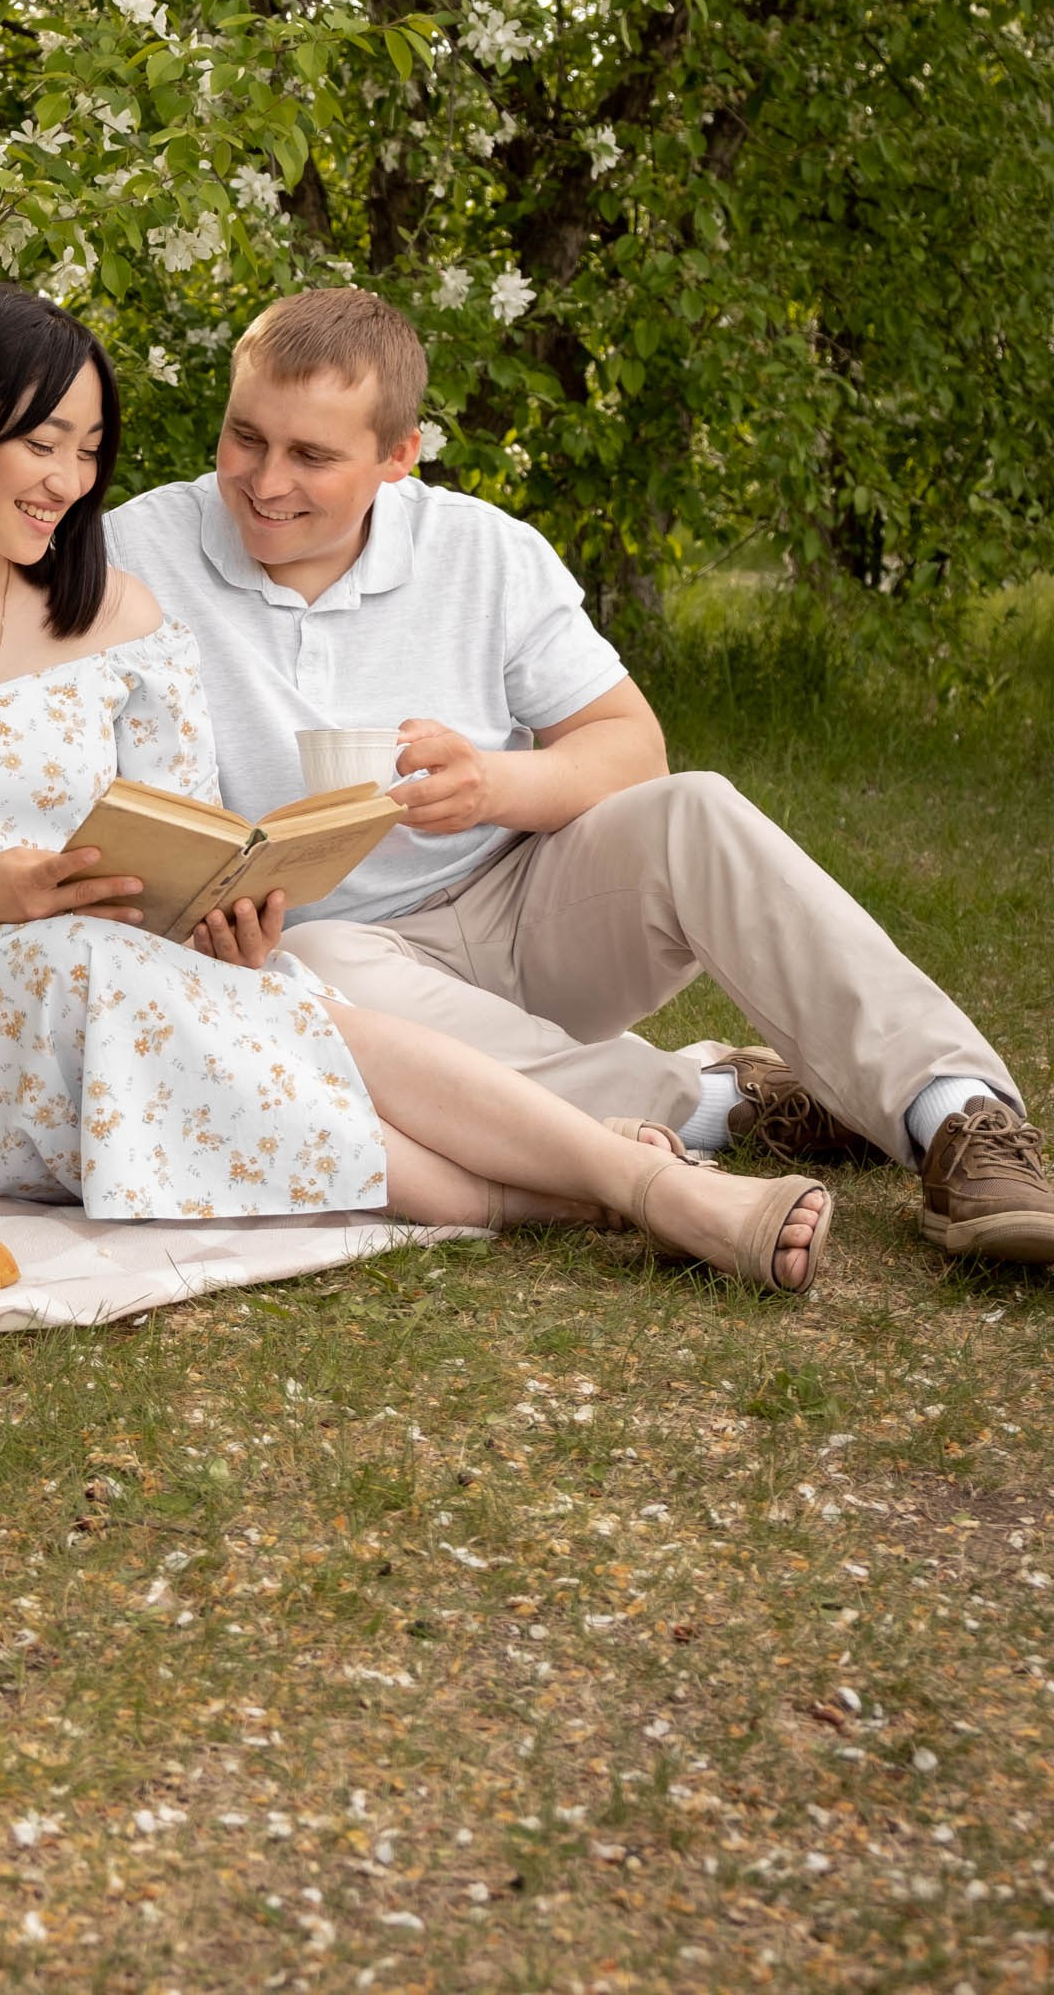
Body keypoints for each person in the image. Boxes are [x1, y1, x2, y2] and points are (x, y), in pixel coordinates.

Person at [0, 281, 831, 1289]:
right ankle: (595, 1186)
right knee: (98, 974)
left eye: (89, 451)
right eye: (42, 444)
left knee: (268, 997)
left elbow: (181, 854)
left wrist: (218, 925)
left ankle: (617, 1189)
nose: (69, 482)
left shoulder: (116, 620)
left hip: (104, 992)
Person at [102, 284, 1054, 1267]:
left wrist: (491, 786)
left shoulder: (483, 551)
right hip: (328, 958)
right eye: (245, 437)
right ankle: (721, 1104)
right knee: (323, 969)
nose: (265, 481)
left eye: (311, 456)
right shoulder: (133, 552)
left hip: (528, 908)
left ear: (398, 455)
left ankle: (957, 1115)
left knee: (692, 809)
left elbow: (629, 744)